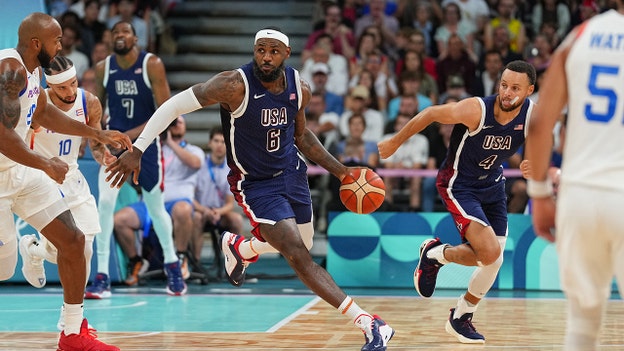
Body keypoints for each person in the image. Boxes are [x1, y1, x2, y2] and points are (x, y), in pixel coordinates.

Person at [104, 27, 394, 351]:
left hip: (292, 172)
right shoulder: (233, 85)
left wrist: (342, 171)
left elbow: (301, 136)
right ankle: (369, 323)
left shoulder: (299, 88)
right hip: (255, 184)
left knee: (306, 242)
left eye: (273, 51)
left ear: (286, 54)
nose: (265, 57)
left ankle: (241, 249)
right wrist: (139, 149)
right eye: (260, 50)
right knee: (298, 254)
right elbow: (172, 107)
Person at [378, 60, 536, 344]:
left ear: (529, 91)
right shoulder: (477, 110)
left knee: (494, 259)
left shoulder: (531, 115)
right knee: (489, 253)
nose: (507, 93)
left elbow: (539, 141)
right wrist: (395, 142)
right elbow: (431, 113)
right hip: (459, 185)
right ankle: (436, 256)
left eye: (515, 88)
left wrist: (533, 162)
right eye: (503, 85)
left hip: (493, 184)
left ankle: (459, 311)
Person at [0, 12, 131, 351]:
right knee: (4, 268)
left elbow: (42, 112)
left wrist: (95, 132)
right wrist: (45, 162)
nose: (61, 45)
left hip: (21, 172)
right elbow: (2, 136)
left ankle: (71, 334)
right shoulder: (9, 71)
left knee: (74, 241)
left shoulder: (33, 72)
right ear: (35, 43)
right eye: (55, 40)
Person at [525, 3, 624, 350]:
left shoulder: (581, 36)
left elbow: (540, 124)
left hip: (581, 197)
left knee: (581, 328)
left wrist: (538, 194)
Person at [86, 20, 186, 298]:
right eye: (115, 32)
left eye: (125, 31)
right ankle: (102, 276)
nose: (120, 35)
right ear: (110, 40)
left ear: (136, 38)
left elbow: (166, 113)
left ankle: (173, 266)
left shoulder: (152, 63)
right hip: (116, 146)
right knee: (104, 204)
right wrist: (97, 139)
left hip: (145, 145)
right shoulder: (104, 68)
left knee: (155, 207)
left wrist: (125, 136)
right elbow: (95, 109)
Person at [18, 56, 114, 329]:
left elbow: (95, 141)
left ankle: (69, 314)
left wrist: (103, 155)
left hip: (71, 176)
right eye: (63, 88)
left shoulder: (89, 102)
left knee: (85, 248)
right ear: (50, 86)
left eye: (73, 84)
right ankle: (37, 251)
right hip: (41, 177)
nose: (70, 91)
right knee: (68, 246)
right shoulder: (38, 103)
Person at [114, 115, 204, 287]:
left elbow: (195, 163)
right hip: (150, 203)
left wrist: (170, 142)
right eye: (173, 122)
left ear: (185, 128)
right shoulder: (154, 149)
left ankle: (181, 257)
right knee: (119, 220)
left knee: (184, 210)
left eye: (180, 122)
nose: (176, 124)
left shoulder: (193, 150)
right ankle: (136, 261)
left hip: (177, 202)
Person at [193, 126, 244, 263]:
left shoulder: (231, 170)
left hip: (219, 213)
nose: (219, 145)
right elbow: (190, 198)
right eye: (216, 141)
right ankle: (196, 263)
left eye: (223, 142)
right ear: (210, 143)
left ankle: (237, 263)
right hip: (200, 211)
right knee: (197, 218)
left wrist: (218, 212)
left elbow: (229, 204)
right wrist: (205, 211)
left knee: (237, 219)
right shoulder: (199, 164)